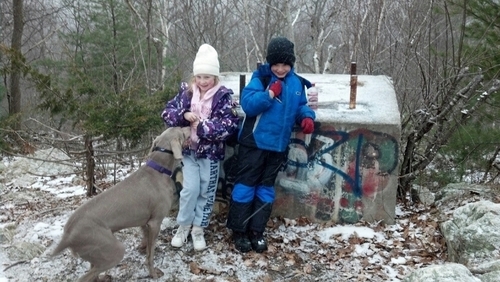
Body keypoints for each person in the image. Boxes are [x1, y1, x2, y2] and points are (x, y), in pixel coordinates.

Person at [226, 36, 316, 253]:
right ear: (269, 63)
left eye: (285, 64)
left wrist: (307, 117)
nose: (281, 68)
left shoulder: (296, 83)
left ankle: (256, 231)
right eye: (276, 64)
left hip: (277, 147)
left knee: (265, 190)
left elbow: (301, 105)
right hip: (254, 145)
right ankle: (239, 231)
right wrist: (270, 94)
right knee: (245, 187)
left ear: (291, 63)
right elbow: (248, 105)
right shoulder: (260, 79)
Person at [161, 43, 239, 251]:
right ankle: (183, 226)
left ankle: (198, 229)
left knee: (206, 191)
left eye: (208, 77)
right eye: (199, 76)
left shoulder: (223, 97)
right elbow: (167, 113)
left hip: (211, 155)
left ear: (215, 77)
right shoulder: (186, 93)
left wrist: (203, 127)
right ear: (194, 77)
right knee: (189, 190)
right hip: (189, 151)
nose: (203, 81)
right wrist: (183, 116)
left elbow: (229, 126)